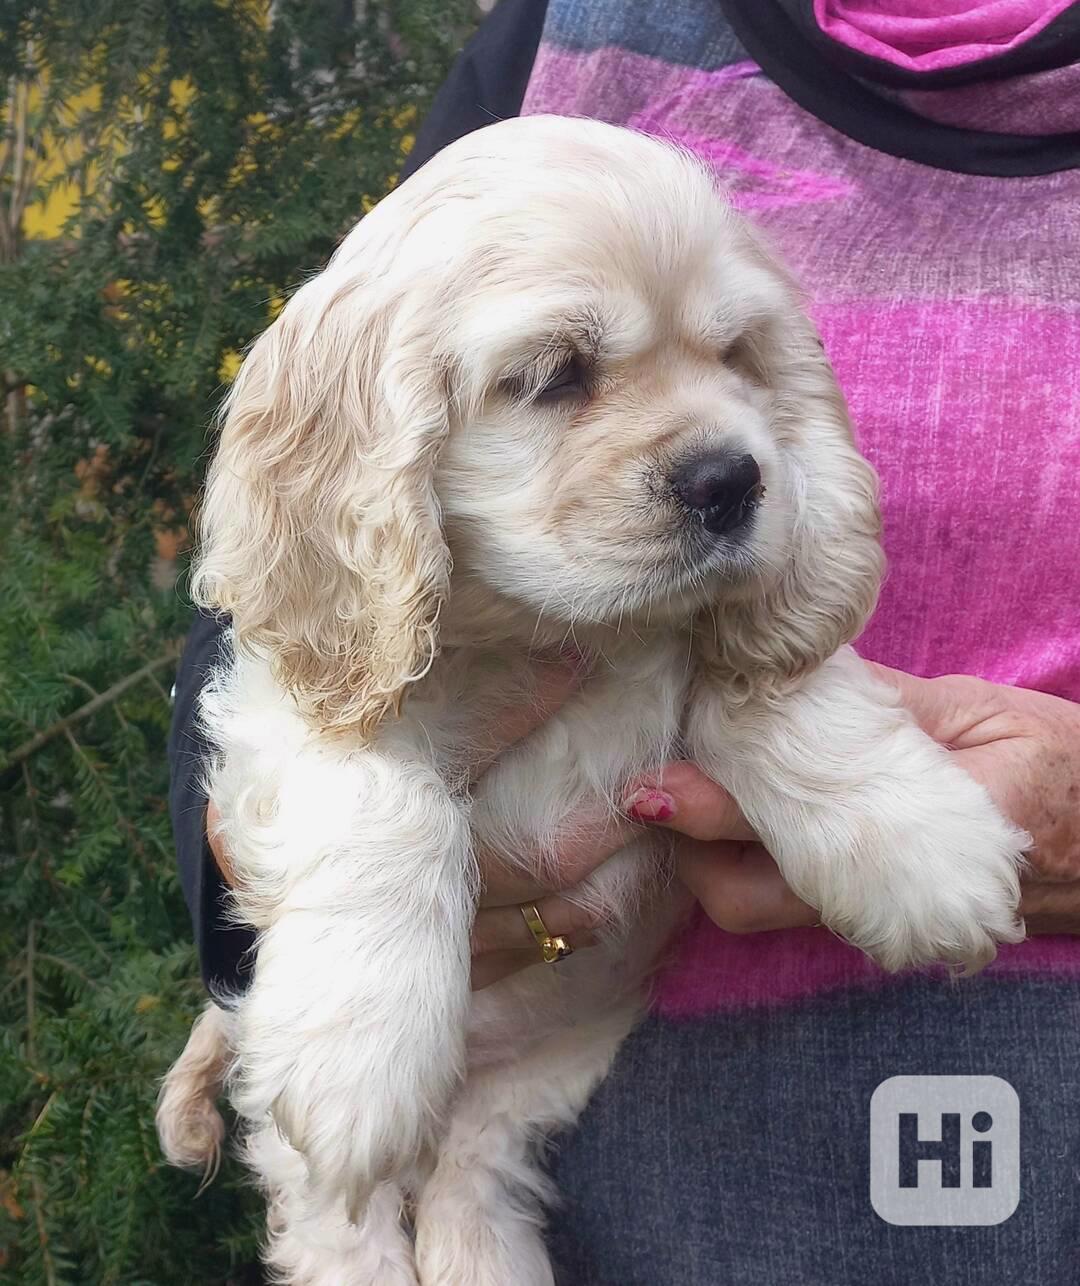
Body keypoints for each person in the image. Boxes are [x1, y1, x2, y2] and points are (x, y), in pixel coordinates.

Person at [169, 1, 1080, 1281]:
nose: (717, 452)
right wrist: (334, 896)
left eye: (731, 354)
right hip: (630, 1202)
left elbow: (758, 665)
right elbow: (288, 654)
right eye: (558, 376)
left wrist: (850, 769)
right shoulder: (562, 34)